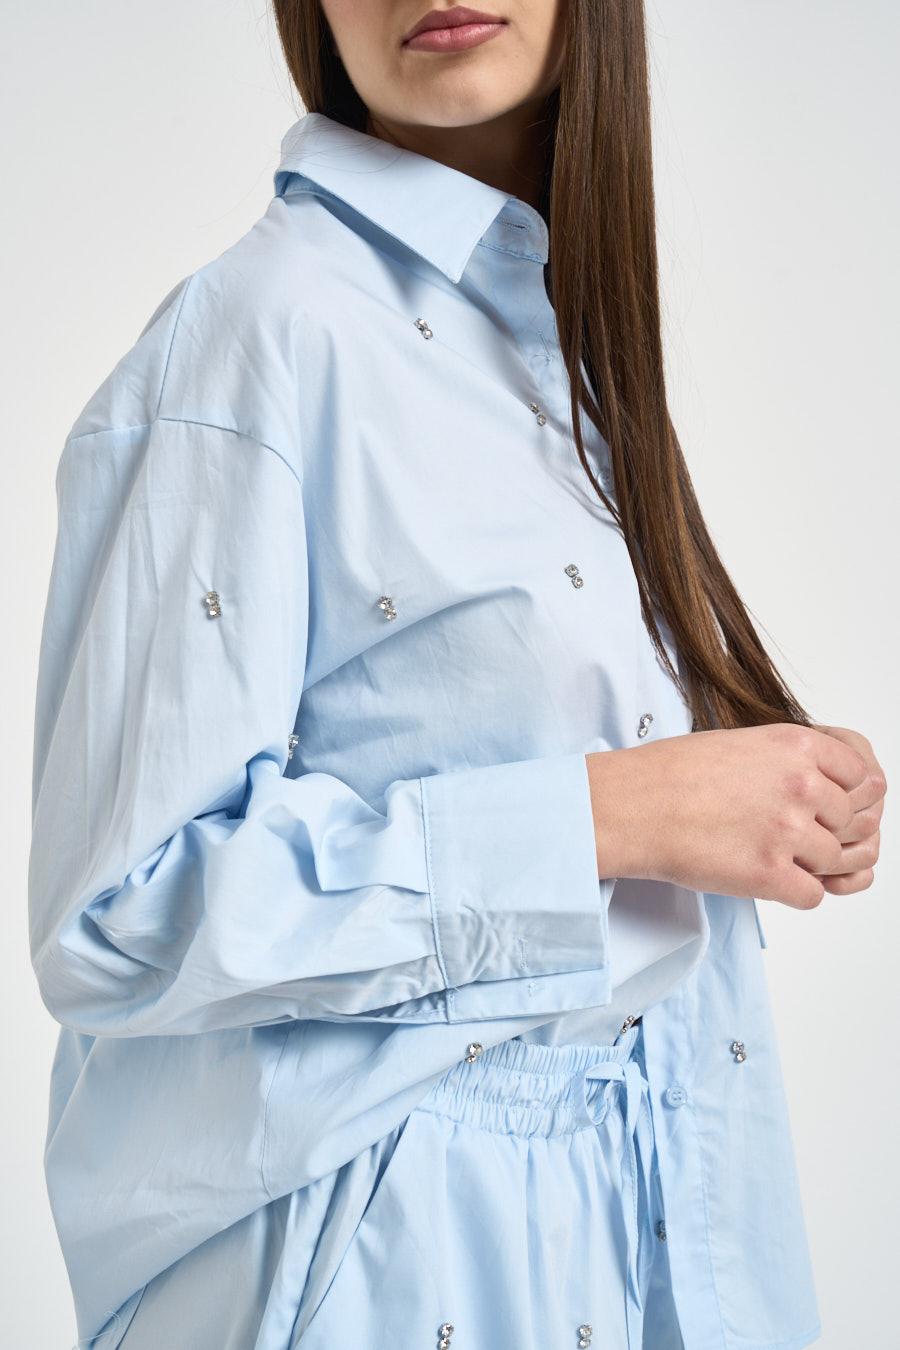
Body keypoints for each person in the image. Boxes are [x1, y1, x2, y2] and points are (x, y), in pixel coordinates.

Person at [27, 3, 887, 1348]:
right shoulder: (254, 333)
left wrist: (768, 801)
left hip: (600, 1249)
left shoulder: (566, 358)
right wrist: (615, 815)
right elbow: (119, 917)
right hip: (371, 1261)